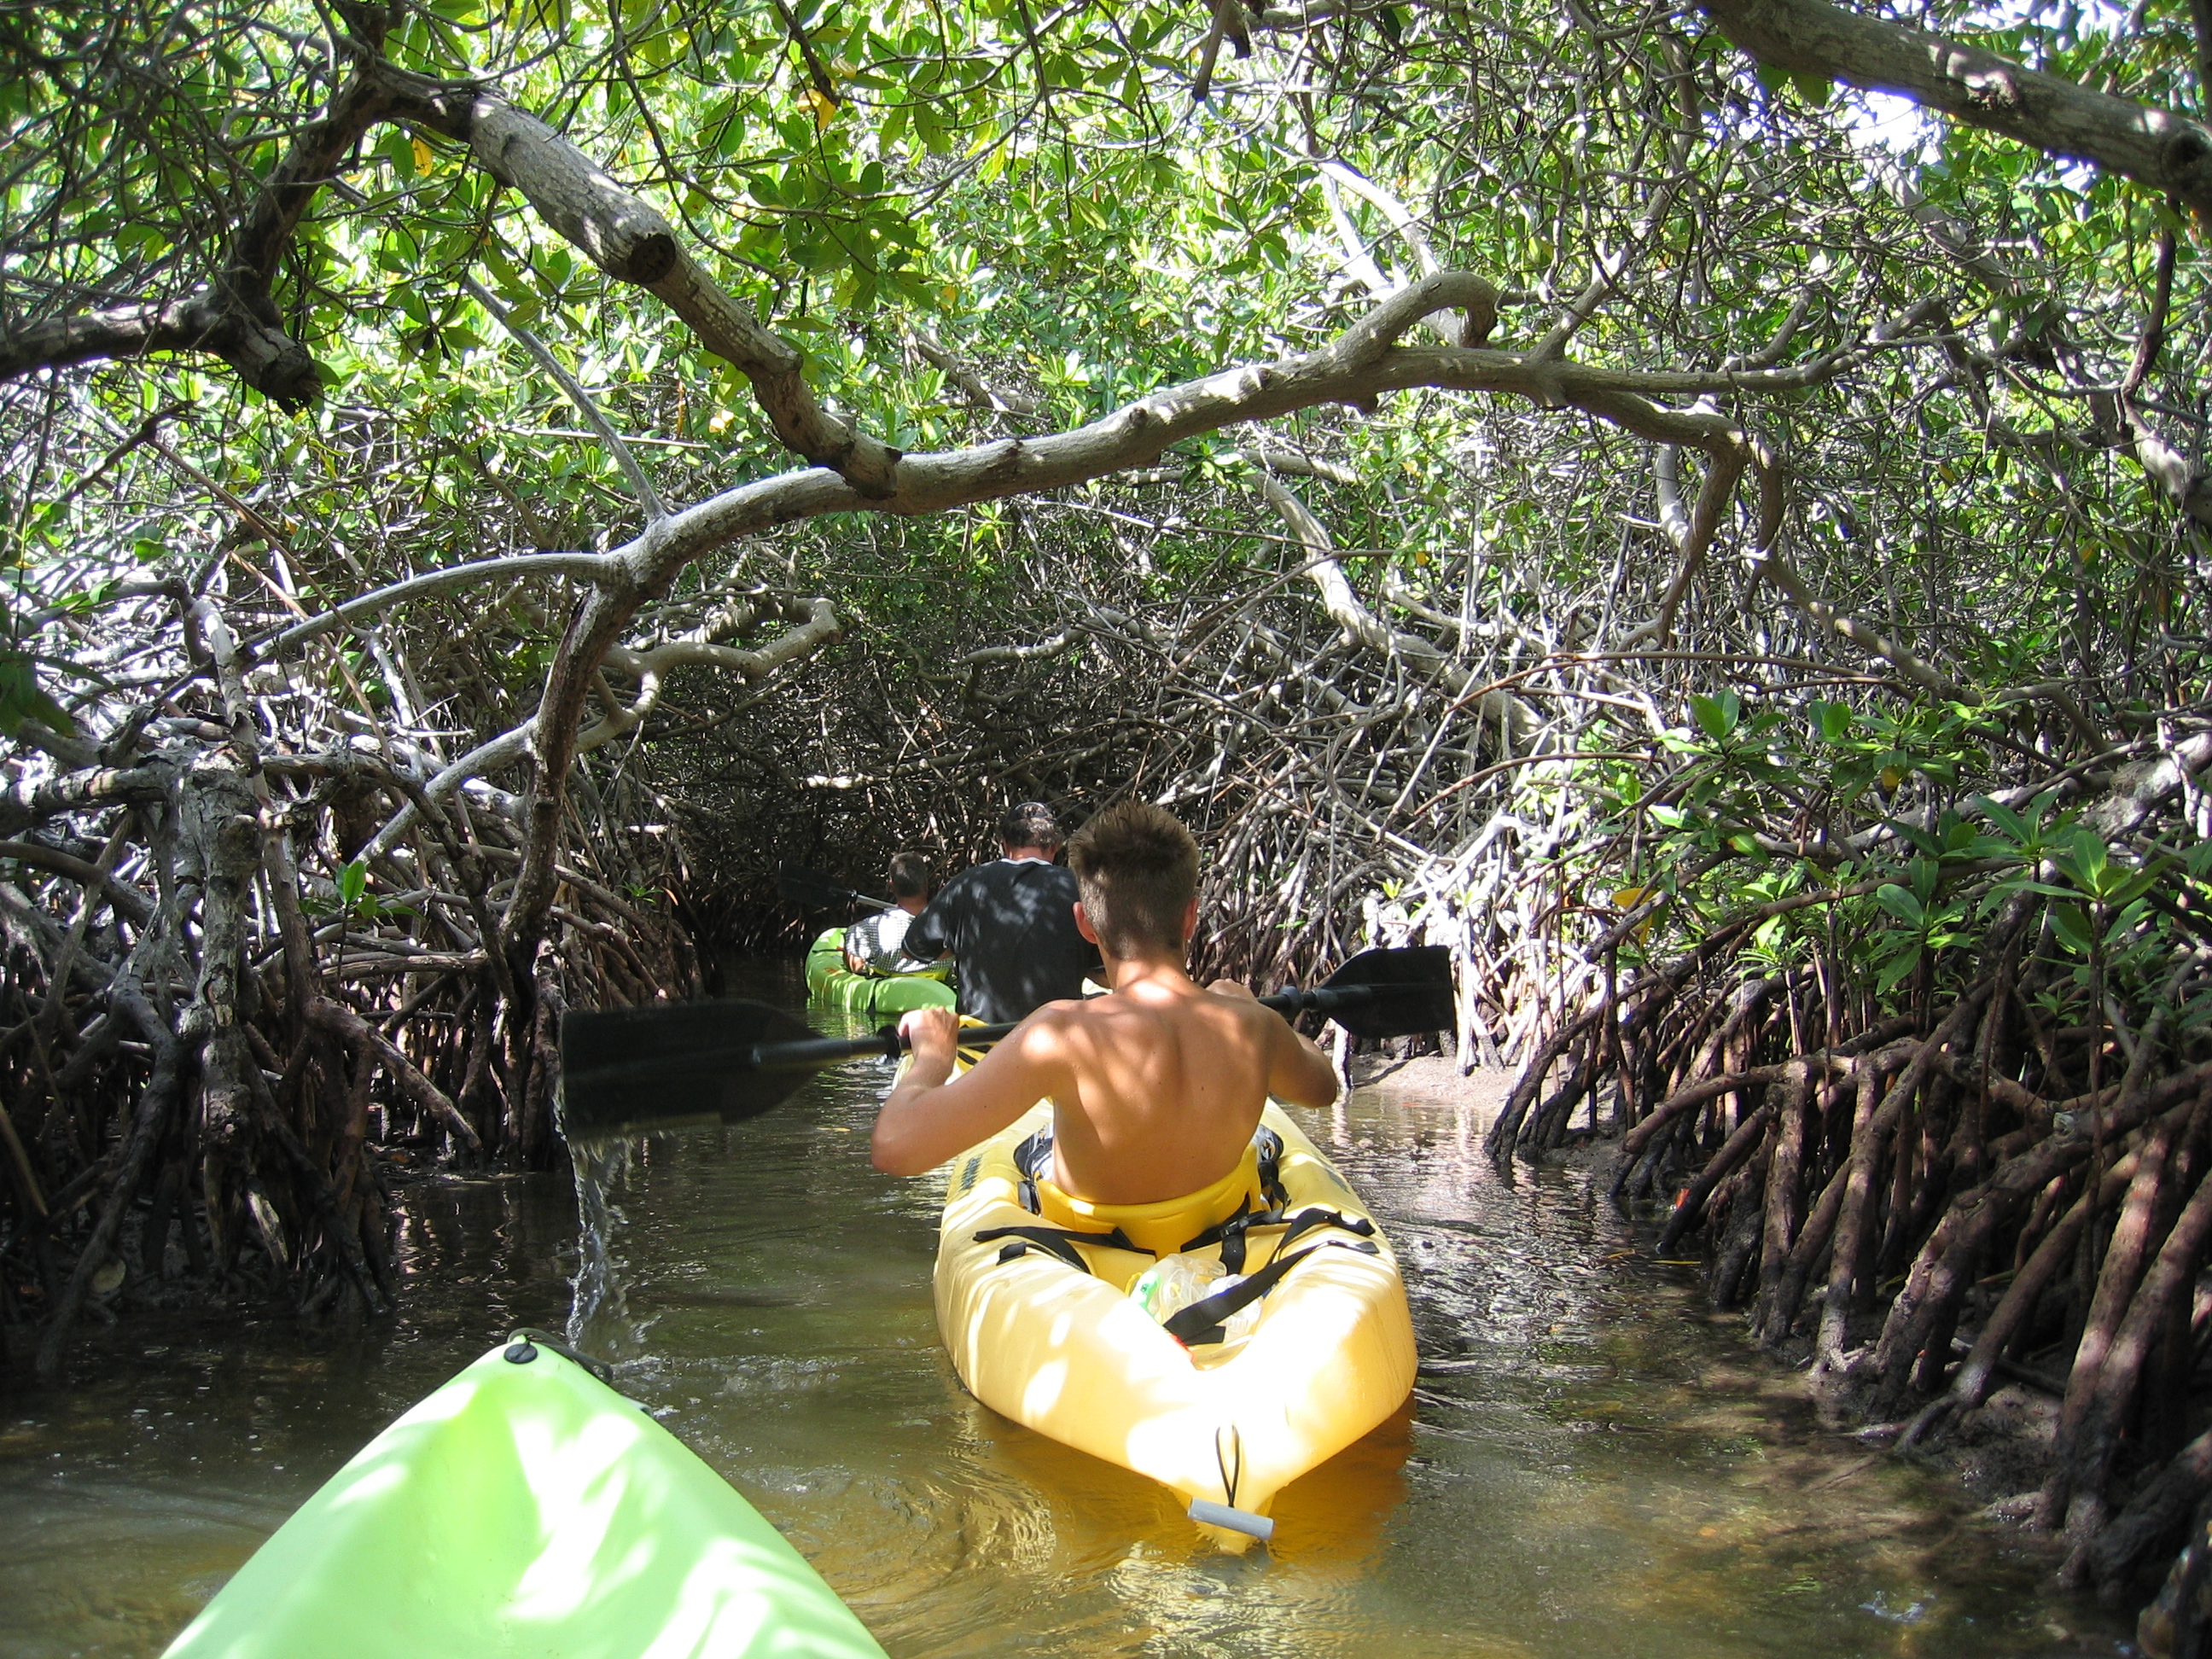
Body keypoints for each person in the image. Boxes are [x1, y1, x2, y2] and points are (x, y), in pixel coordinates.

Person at [870, 800, 1339, 1205]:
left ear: (1086, 924)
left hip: (1093, 1242)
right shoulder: (1253, 1028)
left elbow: (894, 1147)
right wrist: (1242, 1001)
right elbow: (1323, 1088)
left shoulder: (1059, 1033)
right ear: (1191, 916)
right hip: (1216, 1232)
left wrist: (931, 1059)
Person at [900, 800, 1099, 1024]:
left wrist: (962, 944)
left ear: (1005, 844)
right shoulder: (1080, 888)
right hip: (1053, 1040)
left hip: (979, 1042)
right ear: (1055, 845)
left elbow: (912, 950)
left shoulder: (966, 884)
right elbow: (1104, 972)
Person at [842, 852, 933, 975]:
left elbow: (857, 967)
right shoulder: (951, 929)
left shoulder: (864, 930)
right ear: (926, 884)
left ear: (891, 886)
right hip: (939, 989)